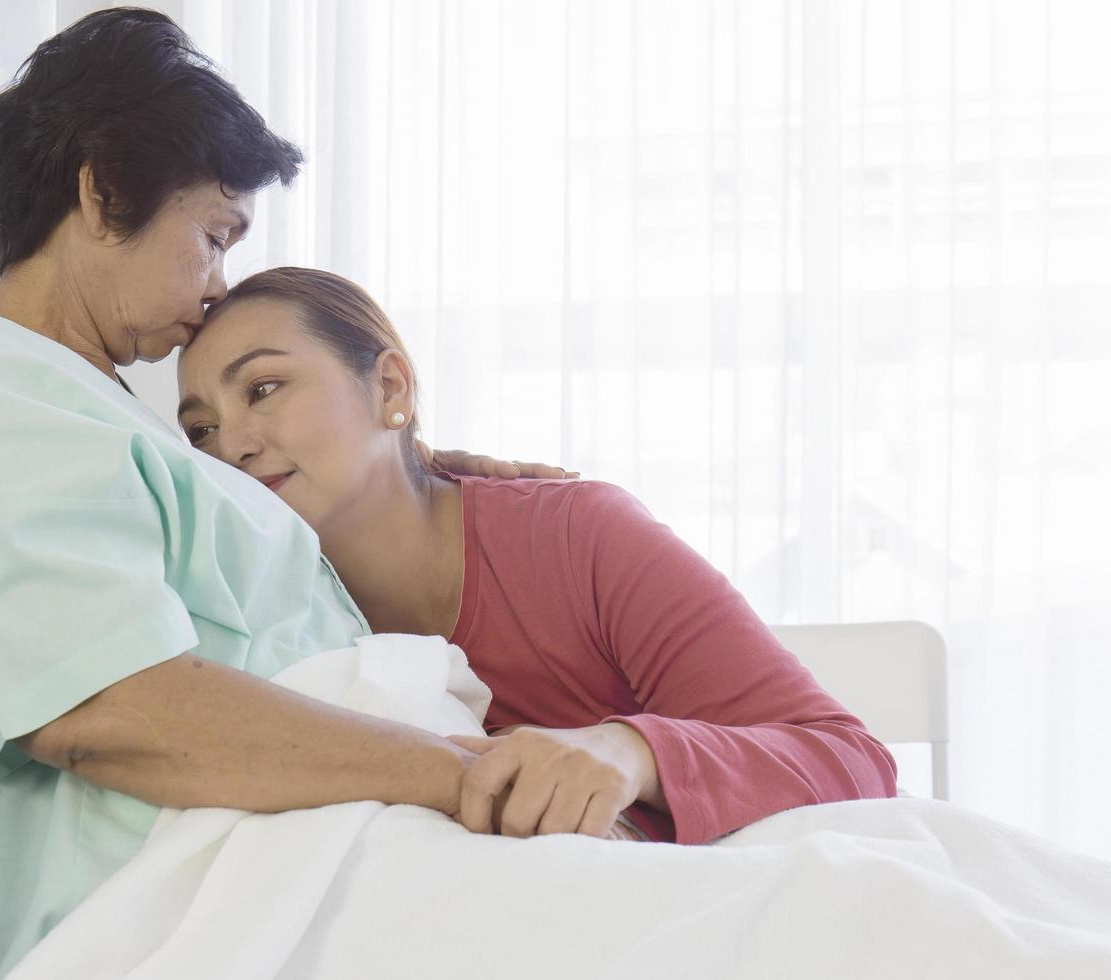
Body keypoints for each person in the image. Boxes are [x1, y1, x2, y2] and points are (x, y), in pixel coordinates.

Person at [0, 10, 566, 978]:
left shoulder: (95, 407)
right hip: (183, 897)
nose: (219, 285)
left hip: (310, 846)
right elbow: (104, 705)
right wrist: (457, 773)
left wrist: (426, 469)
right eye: (214, 234)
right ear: (104, 194)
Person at [174, 266, 901, 845]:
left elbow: (847, 756)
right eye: (200, 430)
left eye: (264, 389)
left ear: (389, 386)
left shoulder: (577, 537)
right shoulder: (254, 617)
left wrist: (627, 755)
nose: (231, 444)